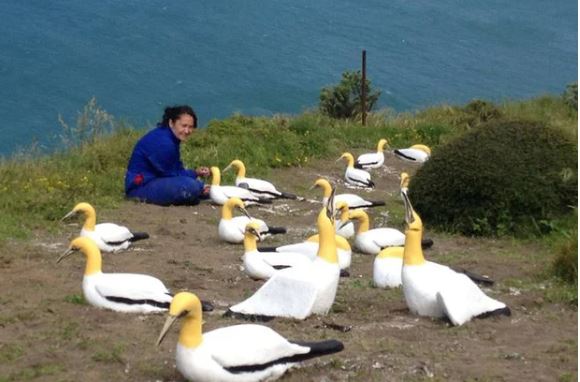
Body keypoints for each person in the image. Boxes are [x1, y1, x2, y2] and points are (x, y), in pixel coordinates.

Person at [124, 105, 210, 206]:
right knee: (191, 186)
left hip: (152, 180)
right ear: (171, 123)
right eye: (183, 126)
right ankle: (198, 192)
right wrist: (198, 181)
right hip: (140, 187)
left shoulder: (168, 136)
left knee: (192, 185)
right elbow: (171, 174)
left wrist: (195, 174)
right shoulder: (164, 143)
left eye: (190, 127)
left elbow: (176, 170)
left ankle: (198, 192)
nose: (187, 131)